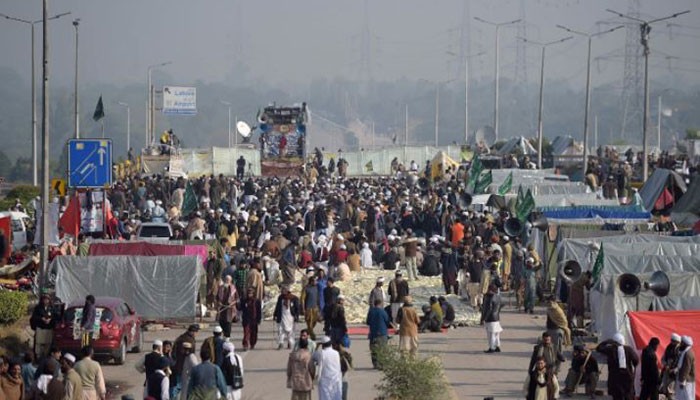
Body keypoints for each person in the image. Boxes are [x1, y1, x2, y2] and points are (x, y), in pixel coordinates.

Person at [595, 333, 639, 400]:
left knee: (617, 395)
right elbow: (636, 360)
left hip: (615, 376)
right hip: (627, 375)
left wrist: (607, 341)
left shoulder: (610, 349)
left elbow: (598, 348)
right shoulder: (628, 349)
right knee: (628, 394)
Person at [313, 336, 343, 400]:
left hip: (325, 381)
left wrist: (317, 346)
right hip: (336, 379)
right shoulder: (336, 353)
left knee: (325, 397)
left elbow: (313, 355)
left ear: (323, 345)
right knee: (336, 397)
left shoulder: (321, 353)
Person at [173, 324, 199, 394]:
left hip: (178, 364)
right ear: (193, 332)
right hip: (183, 366)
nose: (197, 334)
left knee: (179, 385)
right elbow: (190, 355)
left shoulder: (182, 337)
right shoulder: (188, 340)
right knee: (179, 386)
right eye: (196, 332)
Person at [287, 335, 315, 400]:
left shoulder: (292, 356)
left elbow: (289, 370)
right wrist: (312, 378)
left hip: (295, 382)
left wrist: (289, 378)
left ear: (299, 345)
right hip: (306, 382)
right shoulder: (308, 356)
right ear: (307, 345)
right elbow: (312, 370)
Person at [366, 298, 391, 369]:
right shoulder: (383, 312)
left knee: (373, 349)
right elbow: (387, 321)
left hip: (373, 333)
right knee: (382, 349)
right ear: (381, 304)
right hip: (382, 332)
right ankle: (382, 364)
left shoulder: (371, 311)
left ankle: (375, 364)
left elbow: (368, 322)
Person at [274, 285, 301, 350]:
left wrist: (297, 316)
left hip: (290, 317)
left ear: (287, 291)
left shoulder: (294, 298)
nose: (282, 291)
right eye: (282, 290)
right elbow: (278, 306)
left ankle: (290, 343)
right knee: (281, 330)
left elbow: (297, 308)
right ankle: (281, 343)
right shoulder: (280, 298)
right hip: (282, 316)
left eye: (284, 290)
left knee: (290, 331)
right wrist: (275, 314)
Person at [30, 294, 56, 359]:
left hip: (49, 328)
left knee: (48, 343)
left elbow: (56, 316)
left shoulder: (52, 308)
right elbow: (34, 317)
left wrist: (50, 319)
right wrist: (41, 318)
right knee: (38, 343)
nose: (46, 301)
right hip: (40, 328)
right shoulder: (38, 308)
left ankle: (45, 356)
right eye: (44, 299)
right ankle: (38, 356)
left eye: (47, 299)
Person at [481, 284, 502, 353]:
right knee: (496, 333)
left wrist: (484, 318)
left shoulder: (489, 297)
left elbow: (488, 309)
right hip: (496, 318)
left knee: (491, 334)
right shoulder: (498, 297)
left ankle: (491, 347)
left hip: (490, 318)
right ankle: (497, 346)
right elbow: (501, 305)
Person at [661, 333, 682, 399]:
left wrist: (673, 370)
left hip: (674, 373)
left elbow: (680, 364)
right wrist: (666, 365)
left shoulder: (680, 350)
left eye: (673, 341)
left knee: (671, 390)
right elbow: (663, 358)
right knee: (664, 388)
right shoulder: (669, 347)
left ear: (677, 342)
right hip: (666, 370)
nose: (671, 342)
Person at [301, 276, 321, 340]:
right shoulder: (306, 288)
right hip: (308, 309)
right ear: (311, 281)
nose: (316, 282)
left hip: (315, 308)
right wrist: (303, 308)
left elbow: (317, 298)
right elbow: (302, 299)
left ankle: (306, 331)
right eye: (314, 281)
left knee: (314, 322)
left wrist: (318, 306)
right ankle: (313, 336)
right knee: (309, 323)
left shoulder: (316, 288)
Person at [675, 336, 695, 400]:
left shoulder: (687, 354)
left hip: (686, 381)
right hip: (684, 379)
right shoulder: (685, 352)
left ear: (685, 344)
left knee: (687, 397)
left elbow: (686, 368)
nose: (680, 344)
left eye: (682, 343)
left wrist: (682, 381)